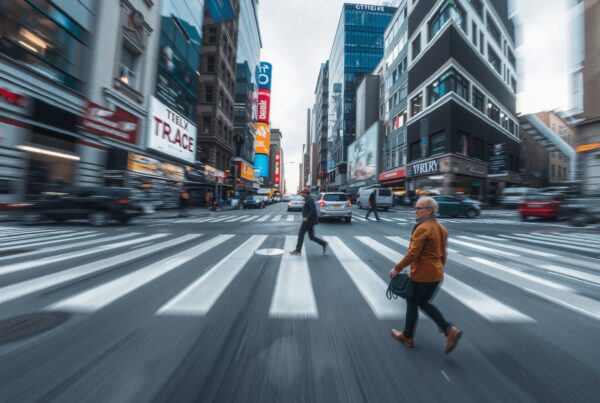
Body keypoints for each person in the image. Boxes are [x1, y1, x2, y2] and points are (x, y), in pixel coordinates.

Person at [388, 196, 462, 355]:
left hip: (422, 274)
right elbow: (444, 253)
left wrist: (397, 268)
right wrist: (440, 270)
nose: (415, 211)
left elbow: (413, 253)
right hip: (436, 274)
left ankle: (407, 336)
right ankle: (449, 329)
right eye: (416, 208)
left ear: (429, 210)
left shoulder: (422, 228)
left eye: (418, 208)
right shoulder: (441, 228)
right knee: (423, 302)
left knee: (413, 302)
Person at [290, 188, 328, 256]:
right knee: (311, 237)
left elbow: (313, 210)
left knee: (301, 234)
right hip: (309, 221)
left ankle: (298, 251)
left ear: (306, 193)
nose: (301, 193)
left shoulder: (310, 200)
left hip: (308, 221)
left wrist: (306, 217)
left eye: (302, 192)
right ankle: (324, 243)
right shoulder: (308, 199)